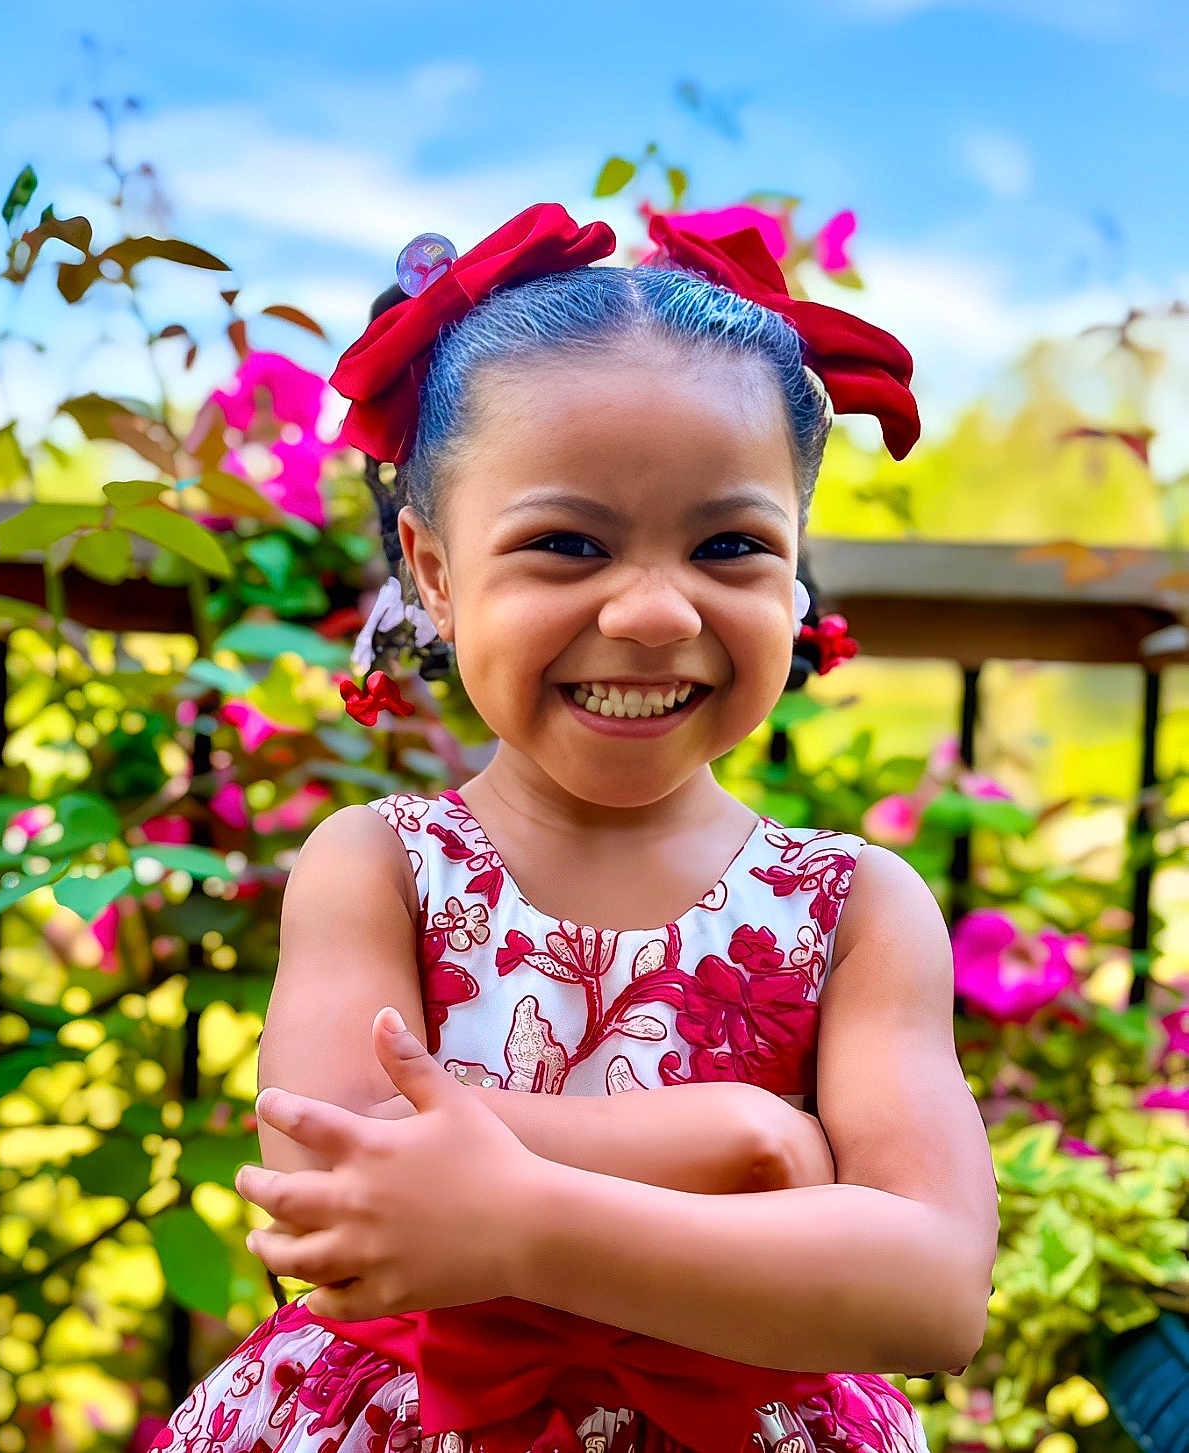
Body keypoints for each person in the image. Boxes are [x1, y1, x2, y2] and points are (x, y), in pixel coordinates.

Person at [148, 202, 999, 1453]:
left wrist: (523, 1217)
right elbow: (331, 1186)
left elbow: (929, 1290)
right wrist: (742, 1136)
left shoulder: (857, 907)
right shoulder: (378, 867)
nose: (654, 612)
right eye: (565, 544)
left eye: (729, 543)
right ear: (433, 572)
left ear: (795, 564)